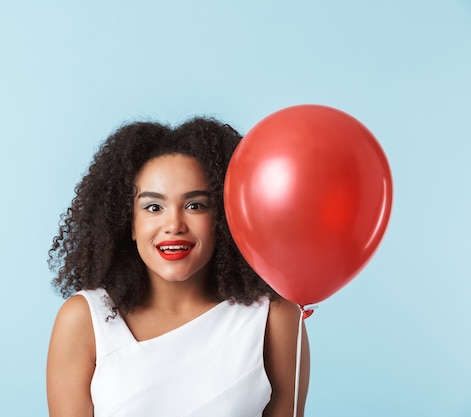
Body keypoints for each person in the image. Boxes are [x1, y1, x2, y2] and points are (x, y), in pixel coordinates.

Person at [46, 117, 310, 417]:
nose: (173, 225)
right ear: (130, 223)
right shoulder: (83, 320)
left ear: (223, 218)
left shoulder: (274, 318)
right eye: (153, 207)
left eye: (195, 205)